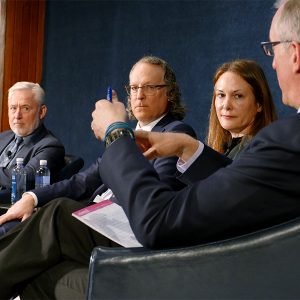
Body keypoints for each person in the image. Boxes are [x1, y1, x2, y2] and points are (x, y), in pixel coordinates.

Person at [1, 0, 299, 297]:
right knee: (45, 270)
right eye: (134, 88)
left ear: (295, 54)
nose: (272, 62)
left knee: (57, 217)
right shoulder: (262, 145)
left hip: (197, 266)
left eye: (273, 48)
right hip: (205, 252)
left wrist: (116, 133)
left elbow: (159, 218)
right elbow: (236, 185)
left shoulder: (284, 141)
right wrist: (189, 149)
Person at [0, 55, 196, 235]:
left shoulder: (175, 133)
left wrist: (116, 132)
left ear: (169, 93)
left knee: (48, 214)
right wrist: (31, 198)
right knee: (11, 225)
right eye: (134, 88)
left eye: (150, 87)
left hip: (115, 225)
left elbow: (153, 196)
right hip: (90, 214)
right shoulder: (126, 136)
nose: (139, 95)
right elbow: (82, 182)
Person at [0, 81, 65, 197]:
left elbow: (23, 179)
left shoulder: (50, 146)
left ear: (41, 112)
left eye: (25, 108)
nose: (17, 115)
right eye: (13, 108)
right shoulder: (3, 137)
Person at [206, 59, 277, 159]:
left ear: (259, 104)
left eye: (238, 96)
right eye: (221, 95)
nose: (226, 105)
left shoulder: (260, 153)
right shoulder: (224, 149)